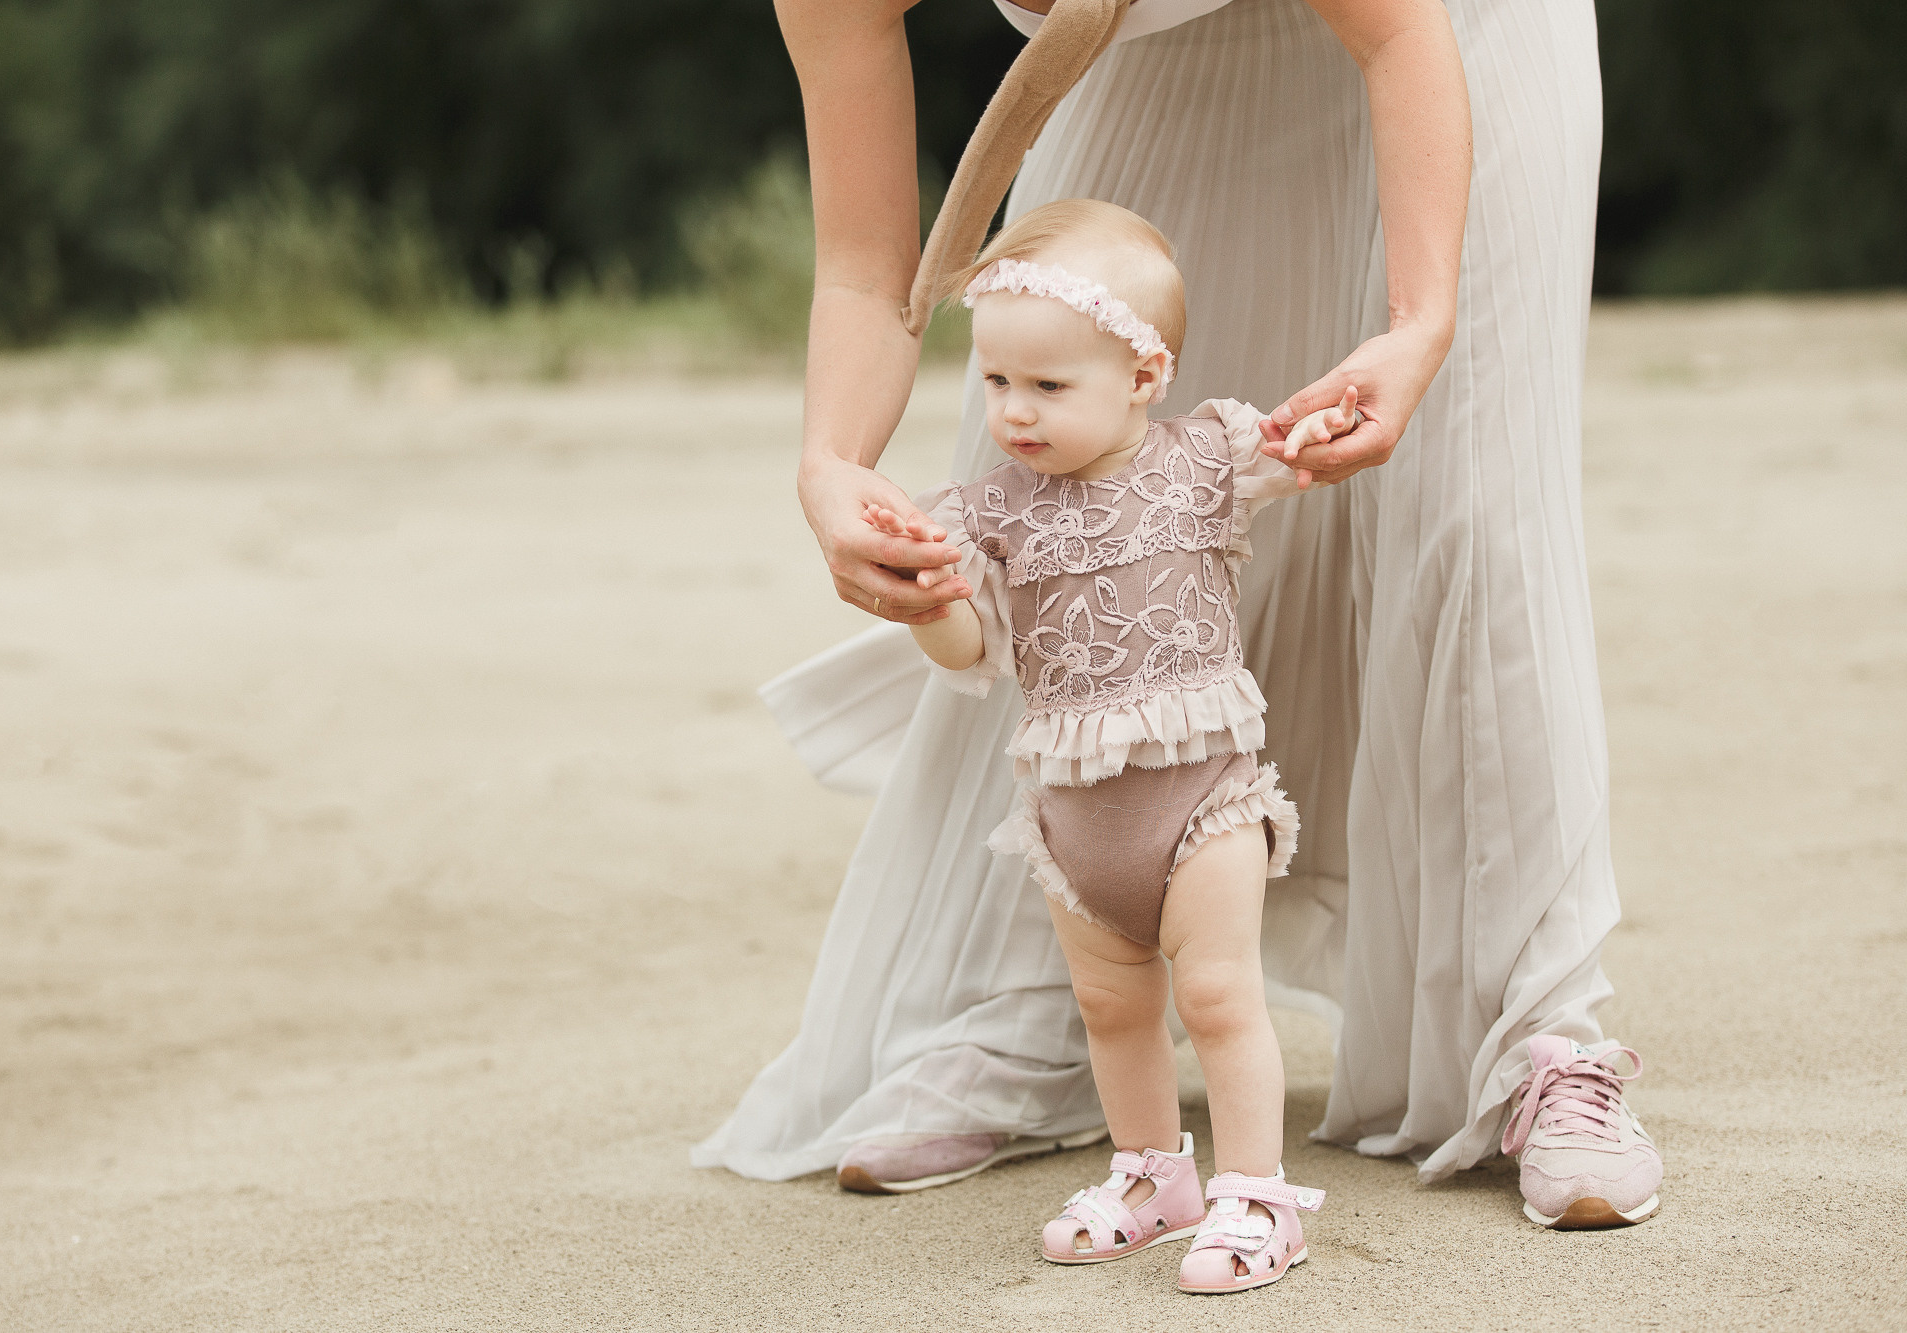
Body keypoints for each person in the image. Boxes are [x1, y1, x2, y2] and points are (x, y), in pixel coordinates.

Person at [693, 0, 1664, 1232]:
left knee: (1467, 506)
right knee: (1054, 393)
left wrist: (1416, 323)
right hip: (1147, 46)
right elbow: (867, 270)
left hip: (1445, 29)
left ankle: (1537, 1030)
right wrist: (830, 463)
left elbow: (1398, 32)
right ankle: (1036, 1004)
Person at [869, 197, 1366, 1290]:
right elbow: (967, 653)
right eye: (996, 382)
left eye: (1048, 386)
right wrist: (927, 598)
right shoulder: (991, 513)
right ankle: (1151, 1172)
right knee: (1111, 1005)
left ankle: (1253, 1191)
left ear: (1142, 378)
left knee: (1219, 993)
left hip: (1199, 800)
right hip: (1073, 813)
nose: (1015, 412)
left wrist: (1321, 431)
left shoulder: (1200, 461)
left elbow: (1297, 455)